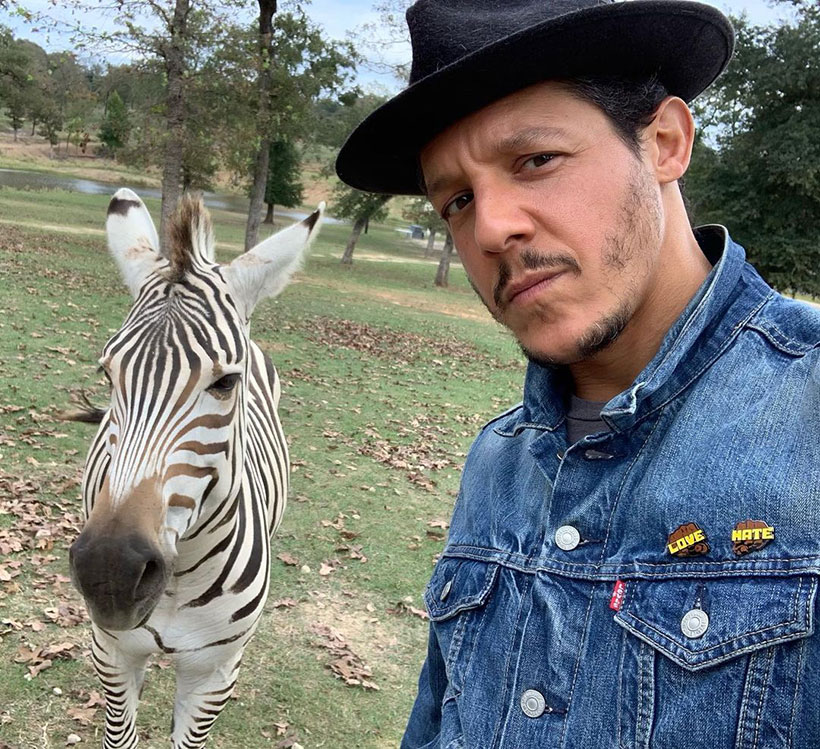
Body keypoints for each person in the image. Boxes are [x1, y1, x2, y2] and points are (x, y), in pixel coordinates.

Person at [336, 1, 820, 746]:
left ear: (664, 142)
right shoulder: (497, 460)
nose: (492, 229)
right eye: (457, 200)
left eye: (535, 160)